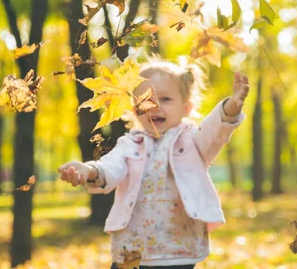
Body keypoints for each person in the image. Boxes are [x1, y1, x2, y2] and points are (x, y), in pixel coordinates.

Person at [58, 57, 250, 268]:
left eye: (166, 99)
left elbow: (215, 131)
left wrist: (232, 107)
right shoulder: (129, 144)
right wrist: (88, 170)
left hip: (178, 248)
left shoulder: (194, 141)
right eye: (144, 100)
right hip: (132, 248)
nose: (155, 106)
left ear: (186, 107)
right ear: (134, 109)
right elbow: (111, 167)